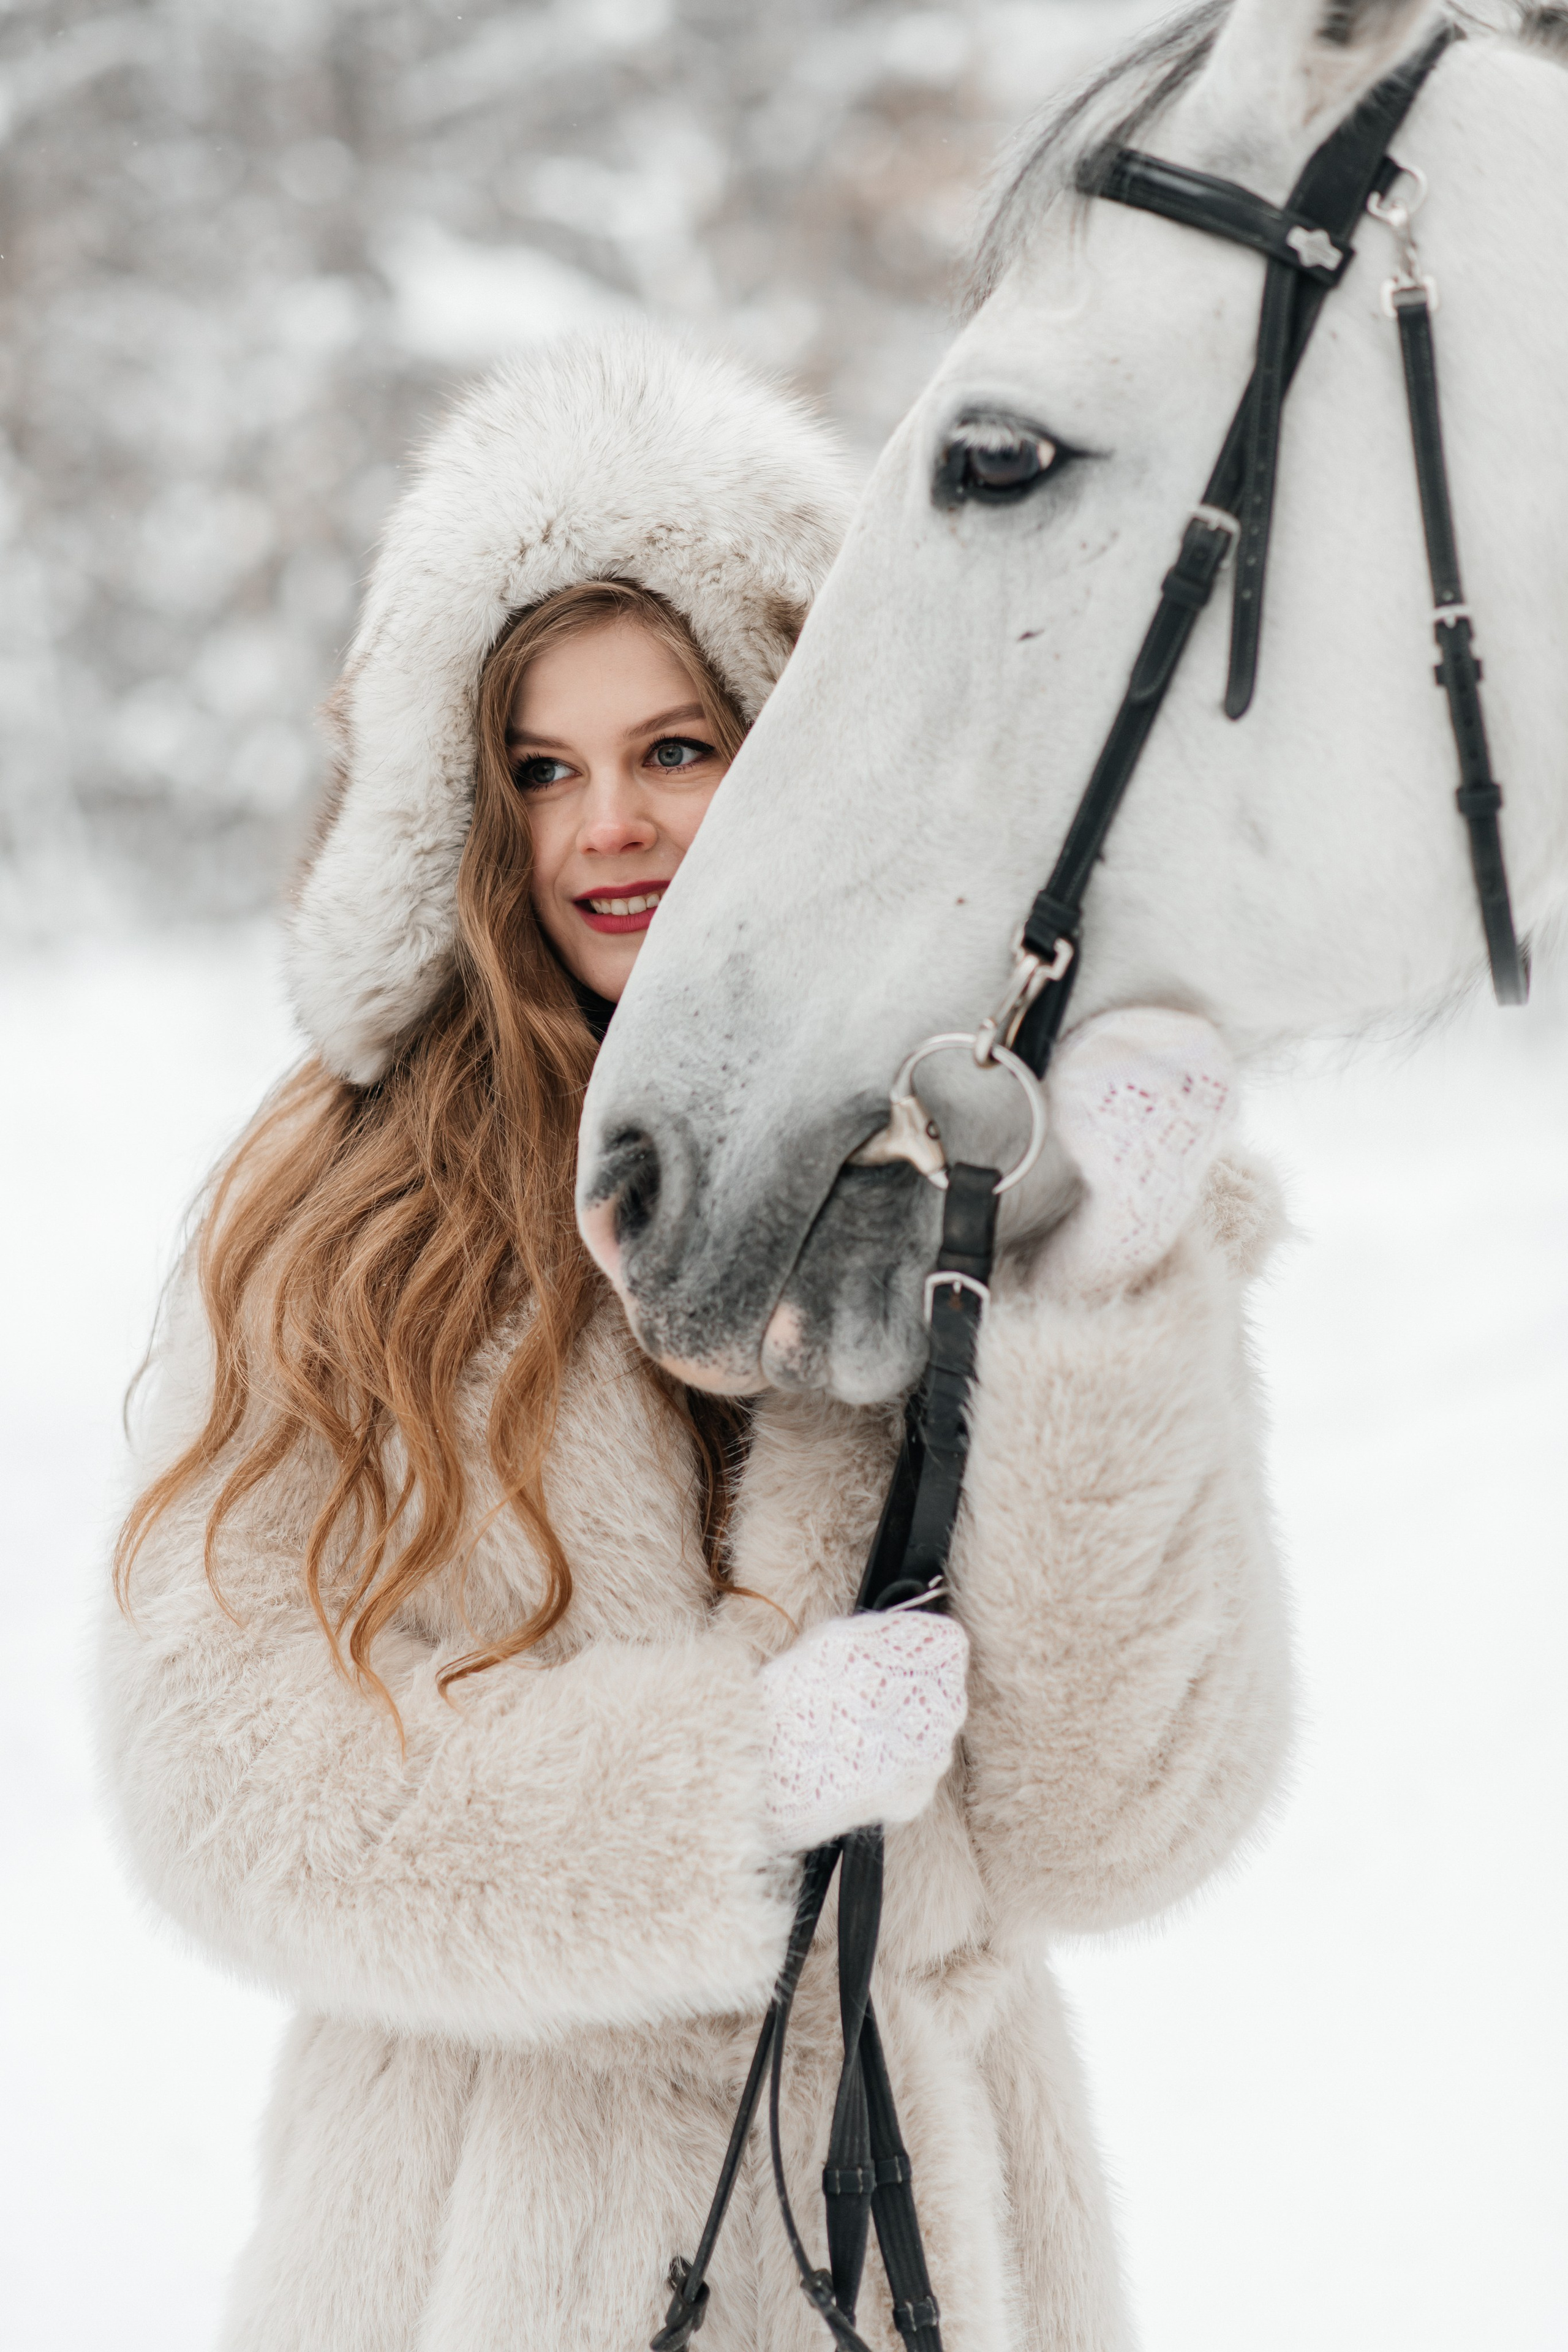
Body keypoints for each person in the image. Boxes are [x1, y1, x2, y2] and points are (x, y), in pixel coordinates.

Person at [100, 323, 1291, 2352]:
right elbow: (225, 1785)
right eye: (541, 771)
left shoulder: (974, 1175)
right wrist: (718, 1785)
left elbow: (1119, 1822)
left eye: (675, 749)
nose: (608, 830)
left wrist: (1107, 1295)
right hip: (483, 2261)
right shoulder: (353, 1217)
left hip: (926, 2248)